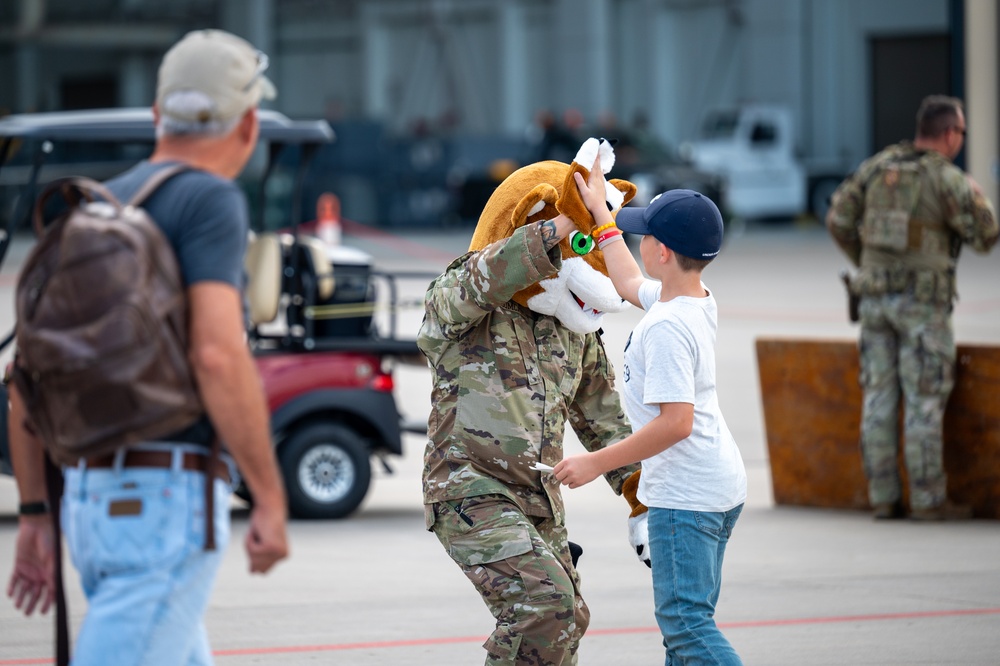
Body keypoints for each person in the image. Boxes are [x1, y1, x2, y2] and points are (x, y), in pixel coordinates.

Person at [6, 29, 289, 663]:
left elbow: (24, 380)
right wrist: (269, 496)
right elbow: (218, 355)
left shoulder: (93, 208)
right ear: (248, 125)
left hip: (90, 501)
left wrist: (33, 512)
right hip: (164, 503)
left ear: (159, 115)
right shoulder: (210, 200)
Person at [418, 144, 641, 666]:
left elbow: (605, 421)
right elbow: (481, 277)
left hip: (540, 498)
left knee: (568, 621)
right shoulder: (469, 304)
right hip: (470, 490)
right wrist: (562, 222)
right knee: (545, 609)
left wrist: (641, 499)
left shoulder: (575, 332)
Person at [554, 184, 747, 665]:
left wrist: (596, 463)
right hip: (716, 485)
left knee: (686, 628)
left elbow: (676, 423)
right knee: (684, 632)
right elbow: (624, 281)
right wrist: (599, 213)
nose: (635, 242)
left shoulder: (665, 327)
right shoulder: (693, 298)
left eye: (642, 236)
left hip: (687, 497)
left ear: (660, 252)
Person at [825, 95, 998, 521]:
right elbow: (986, 236)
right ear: (949, 134)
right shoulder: (947, 179)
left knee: (879, 397)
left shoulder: (877, 167)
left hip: (874, 302)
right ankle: (927, 500)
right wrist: (977, 194)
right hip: (923, 305)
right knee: (924, 399)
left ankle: (884, 497)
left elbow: (838, 218)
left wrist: (868, 264)